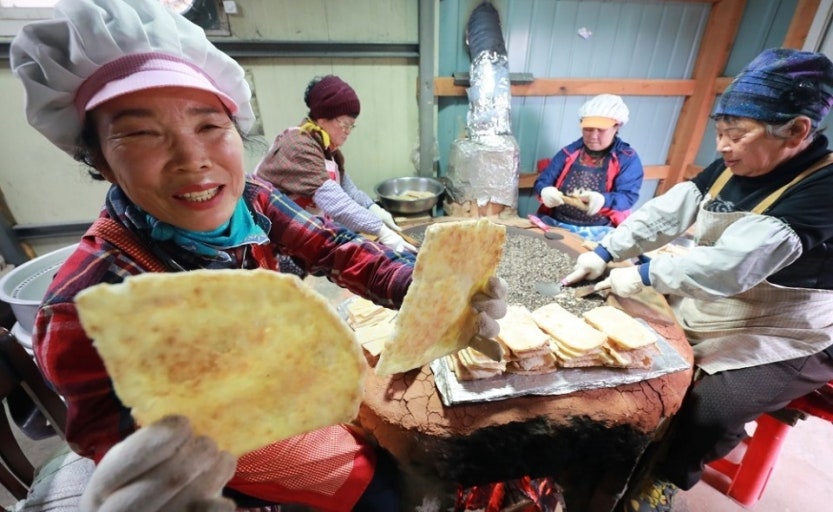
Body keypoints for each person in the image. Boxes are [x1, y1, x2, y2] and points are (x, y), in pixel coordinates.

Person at [9, 1, 507, 510]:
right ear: (99, 160)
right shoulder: (81, 308)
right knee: (379, 487)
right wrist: (154, 487)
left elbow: (333, 247)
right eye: (141, 133)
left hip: (287, 379)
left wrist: (425, 288)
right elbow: (117, 444)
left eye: (210, 126)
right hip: (221, 443)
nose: (193, 160)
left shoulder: (251, 200)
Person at [563, 48, 833, 512]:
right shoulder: (736, 163)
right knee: (630, 358)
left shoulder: (823, 187)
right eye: (720, 132)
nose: (723, 146)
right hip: (717, 303)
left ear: (796, 131)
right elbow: (668, 212)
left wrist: (641, 274)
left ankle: (665, 478)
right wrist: (606, 252)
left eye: (737, 134)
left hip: (788, 332)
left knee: (711, 409)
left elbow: (731, 265)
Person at [254, 75, 415, 254]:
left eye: (351, 126)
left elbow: (348, 190)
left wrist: (374, 209)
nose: (348, 132)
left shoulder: (326, 148)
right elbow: (337, 203)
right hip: (274, 241)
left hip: (299, 235)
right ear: (322, 119)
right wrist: (381, 231)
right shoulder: (298, 146)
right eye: (344, 124)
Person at [533, 93, 644, 242]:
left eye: (601, 130)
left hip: (601, 230)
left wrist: (603, 200)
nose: (593, 136)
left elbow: (628, 196)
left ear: (616, 126)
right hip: (557, 224)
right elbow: (543, 181)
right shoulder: (568, 153)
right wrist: (544, 190)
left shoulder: (627, 159)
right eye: (588, 129)